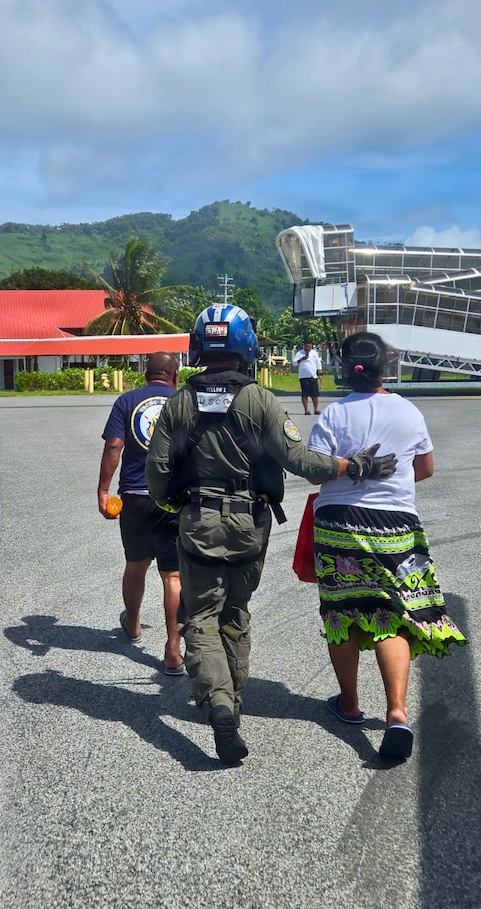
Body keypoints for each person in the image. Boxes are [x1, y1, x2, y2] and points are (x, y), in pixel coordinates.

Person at [145, 305, 397, 765]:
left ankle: (219, 703)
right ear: (246, 346)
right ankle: (232, 701)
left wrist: (173, 506)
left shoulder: (179, 402)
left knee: (199, 616)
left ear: (200, 344)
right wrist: (356, 466)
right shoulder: (261, 400)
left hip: (197, 521)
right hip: (249, 523)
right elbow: (300, 461)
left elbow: (157, 473)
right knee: (235, 610)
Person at [306, 331, 467, 761]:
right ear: (385, 368)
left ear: (344, 369)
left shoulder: (334, 415)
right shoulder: (409, 412)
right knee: (391, 616)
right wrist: (391, 484)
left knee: (342, 612)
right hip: (396, 525)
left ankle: (350, 704)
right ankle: (396, 713)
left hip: (339, 525)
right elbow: (426, 469)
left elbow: (316, 473)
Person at [98, 351, 184, 675]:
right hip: (174, 499)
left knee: (136, 566)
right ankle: (173, 650)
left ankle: (132, 623)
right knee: (172, 576)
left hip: (134, 497)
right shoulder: (186, 402)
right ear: (175, 376)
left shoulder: (127, 400)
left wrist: (104, 491)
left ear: (146, 374)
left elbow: (113, 446)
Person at [293, 341, 323, 415]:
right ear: (304, 346)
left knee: (315, 394)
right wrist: (302, 359)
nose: (308, 348)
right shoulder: (299, 353)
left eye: (310, 346)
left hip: (313, 376)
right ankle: (306, 410)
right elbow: (294, 363)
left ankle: (316, 409)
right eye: (307, 346)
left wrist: (320, 373)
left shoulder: (314, 353)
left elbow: (318, 363)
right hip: (303, 377)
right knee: (305, 394)